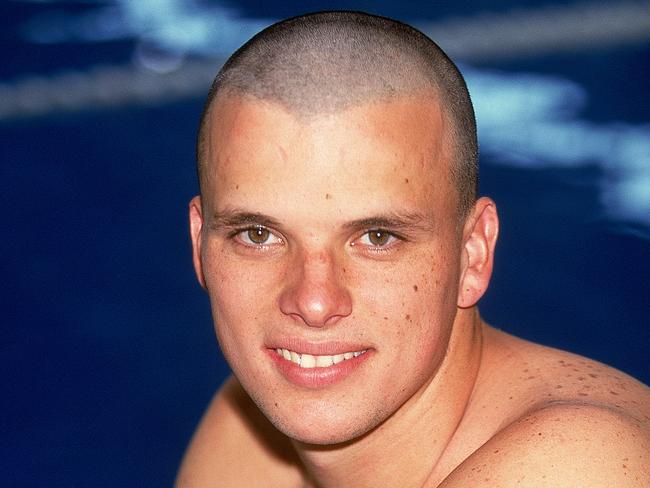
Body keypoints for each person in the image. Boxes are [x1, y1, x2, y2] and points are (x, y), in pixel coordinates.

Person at [176, 11, 650, 487]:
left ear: (473, 253)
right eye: (258, 235)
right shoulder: (244, 436)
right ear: (200, 246)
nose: (314, 303)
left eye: (377, 238)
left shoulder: (575, 464)